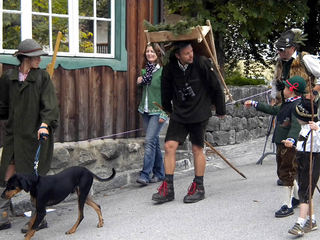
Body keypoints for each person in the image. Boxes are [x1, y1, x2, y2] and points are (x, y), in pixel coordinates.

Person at [151, 41, 226, 204]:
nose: (191, 55)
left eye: (191, 51)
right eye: (186, 53)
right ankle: (168, 188)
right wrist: (167, 108)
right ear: (178, 55)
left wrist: (220, 109)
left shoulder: (201, 62)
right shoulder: (170, 68)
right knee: (169, 146)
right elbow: (166, 89)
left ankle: (199, 187)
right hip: (180, 113)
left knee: (197, 148)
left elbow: (215, 86)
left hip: (200, 111)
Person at [0, 39, 59, 231]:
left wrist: (44, 124)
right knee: (6, 175)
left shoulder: (42, 78)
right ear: (25, 57)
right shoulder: (9, 78)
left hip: (35, 136)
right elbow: (3, 106)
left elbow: (50, 106)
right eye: (36, 56)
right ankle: (2, 216)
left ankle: (38, 218)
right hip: (13, 136)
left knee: (36, 178)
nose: (39, 60)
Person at [245, 76, 306, 217]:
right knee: (285, 172)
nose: (282, 90)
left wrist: (291, 139)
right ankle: (297, 197)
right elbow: (273, 110)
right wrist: (255, 104)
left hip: (289, 145)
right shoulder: (287, 103)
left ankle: (287, 205)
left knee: (286, 173)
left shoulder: (297, 106)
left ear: (291, 90)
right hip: (282, 143)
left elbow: (296, 125)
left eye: (285, 87)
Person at [270, 28, 320, 188]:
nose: (280, 52)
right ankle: (289, 172)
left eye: (282, 49)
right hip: (286, 106)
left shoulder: (305, 59)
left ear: (292, 48)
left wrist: (314, 91)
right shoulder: (280, 62)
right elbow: (276, 83)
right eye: (278, 49)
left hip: (304, 109)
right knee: (286, 139)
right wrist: (274, 99)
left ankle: (299, 176)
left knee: (300, 141)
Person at [136, 43, 168, 186]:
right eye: (147, 51)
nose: (149, 54)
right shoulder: (145, 72)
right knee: (153, 142)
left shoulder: (163, 72)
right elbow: (146, 89)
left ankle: (145, 174)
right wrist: (140, 82)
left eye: (152, 51)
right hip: (146, 110)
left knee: (149, 141)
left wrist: (164, 113)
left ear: (158, 53)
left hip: (159, 111)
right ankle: (160, 173)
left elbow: (169, 94)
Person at [288, 98, 320, 236]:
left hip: (312, 161)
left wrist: (318, 131)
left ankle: (299, 223)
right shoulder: (304, 128)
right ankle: (311, 220)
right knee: (306, 191)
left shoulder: (316, 128)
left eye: (298, 117)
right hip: (302, 160)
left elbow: (316, 144)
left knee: (304, 194)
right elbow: (303, 144)